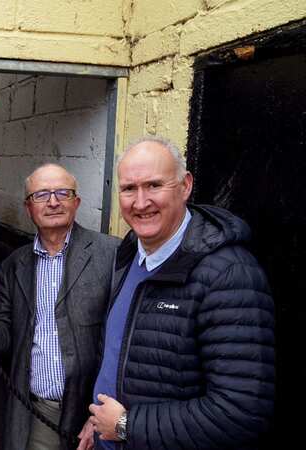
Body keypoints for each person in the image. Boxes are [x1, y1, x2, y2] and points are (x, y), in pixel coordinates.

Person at [85, 137, 275, 449]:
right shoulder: (130, 253)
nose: (141, 201)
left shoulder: (229, 275)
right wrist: (94, 421)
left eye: (154, 185)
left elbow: (242, 412)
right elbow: (119, 355)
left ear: (185, 186)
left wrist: (125, 425)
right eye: (129, 188)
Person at [0, 163, 119, 450]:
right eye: (41, 195)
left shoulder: (111, 254)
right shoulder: (15, 265)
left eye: (62, 193)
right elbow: (7, 336)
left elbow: (123, 341)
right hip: (40, 410)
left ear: (76, 202)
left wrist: (99, 413)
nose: (53, 202)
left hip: (95, 409)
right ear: (28, 207)